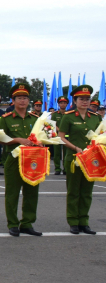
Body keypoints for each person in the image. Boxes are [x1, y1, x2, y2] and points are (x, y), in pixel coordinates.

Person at [0, 84, 42, 236]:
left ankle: (28, 223)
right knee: (12, 193)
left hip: (33, 160)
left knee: (32, 192)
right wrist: (17, 139)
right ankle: (12, 223)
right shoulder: (6, 119)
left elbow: (42, 136)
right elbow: (1, 140)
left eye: (25, 98)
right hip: (14, 159)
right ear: (13, 100)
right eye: (19, 98)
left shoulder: (36, 119)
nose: (22, 101)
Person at [59, 85, 101, 235]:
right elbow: (61, 137)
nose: (85, 101)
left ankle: (84, 221)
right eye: (81, 99)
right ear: (75, 101)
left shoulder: (96, 118)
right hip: (74, 159)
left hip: (91, 159)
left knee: (87, 192)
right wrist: (75, 148)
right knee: (73, 191)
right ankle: (73, 221)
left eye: (87, 99)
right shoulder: (68, 116)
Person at [51, 96, 69, 175]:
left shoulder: (69, 114)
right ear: (58, 104)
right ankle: (57, 168)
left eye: (64, 103)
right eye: (61, 103)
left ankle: (65, 168)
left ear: (67, 104)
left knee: (66, 153)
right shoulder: (55, 114)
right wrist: (60, 130)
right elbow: (53, 124)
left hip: (67, 136)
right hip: (57, 136)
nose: (63, 104)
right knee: (57, 153)